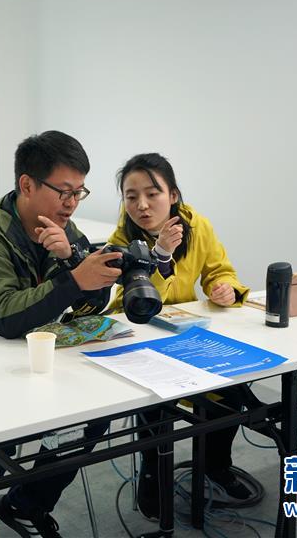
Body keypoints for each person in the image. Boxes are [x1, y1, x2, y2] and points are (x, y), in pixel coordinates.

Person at [0, 131, 123, 538]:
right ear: (27, 184)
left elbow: (92, 302)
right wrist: (72, 281)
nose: (71, 203)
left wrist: (72, 261)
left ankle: (26, 503)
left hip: (22, 351)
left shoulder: (65, 229)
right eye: (63, 191)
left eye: (78, 192)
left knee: (96, 411)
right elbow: (6, 317)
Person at [107, 152, 252, 517]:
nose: (141, 205)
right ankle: (153, 477)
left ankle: (216, 465)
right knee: (155, 409)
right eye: (131, 196)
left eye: (152, 193)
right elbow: (131, 305)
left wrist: (224, 289)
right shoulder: (122, 239)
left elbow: (220, 270)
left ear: (173, 195)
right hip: (139, 341)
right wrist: (160, 255)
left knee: (231, 394)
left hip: (186, 336)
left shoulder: (197, 226)